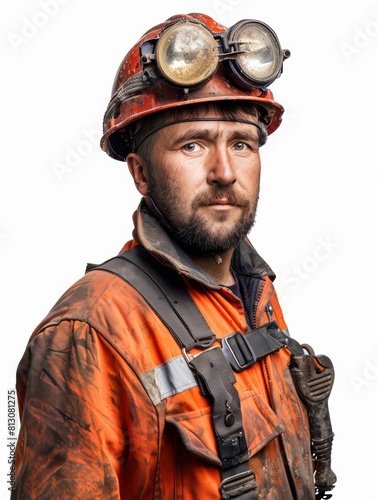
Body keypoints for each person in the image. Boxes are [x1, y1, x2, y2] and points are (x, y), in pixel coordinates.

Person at [12, 12, 337, 500]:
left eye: (242, 144)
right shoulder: (89, 332)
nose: (224, 172)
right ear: (141, 174)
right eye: (193, 145)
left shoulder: (255, 294)